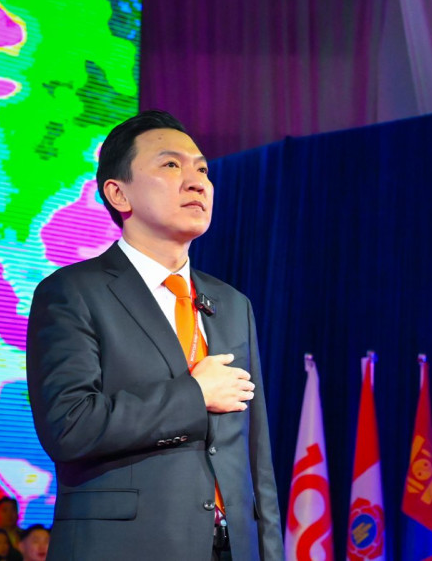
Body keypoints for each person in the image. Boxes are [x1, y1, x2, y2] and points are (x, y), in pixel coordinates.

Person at [26, 110, 282, 560]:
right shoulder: (72, 292)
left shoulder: (233, 304)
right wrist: (194, 395)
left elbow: (255, 456)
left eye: (203, 169)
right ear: (118, 193)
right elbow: (70, 426)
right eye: (171, 165)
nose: (197, 182)